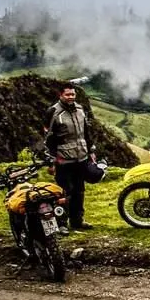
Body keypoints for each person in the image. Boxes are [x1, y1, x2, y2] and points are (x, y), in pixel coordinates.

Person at [44, 83, 95, 231]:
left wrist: (91, 150)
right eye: (68, 95)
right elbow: (48, 138)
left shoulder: (80, 109)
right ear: (61, 95)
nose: (71, 97)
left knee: (79, 191)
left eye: (73, 94)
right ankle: (61, 223)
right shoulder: (53, 112)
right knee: (64, 193)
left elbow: (86, 132)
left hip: (81, 158)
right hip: (63, 160)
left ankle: (77, 221)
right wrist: (51, 161)